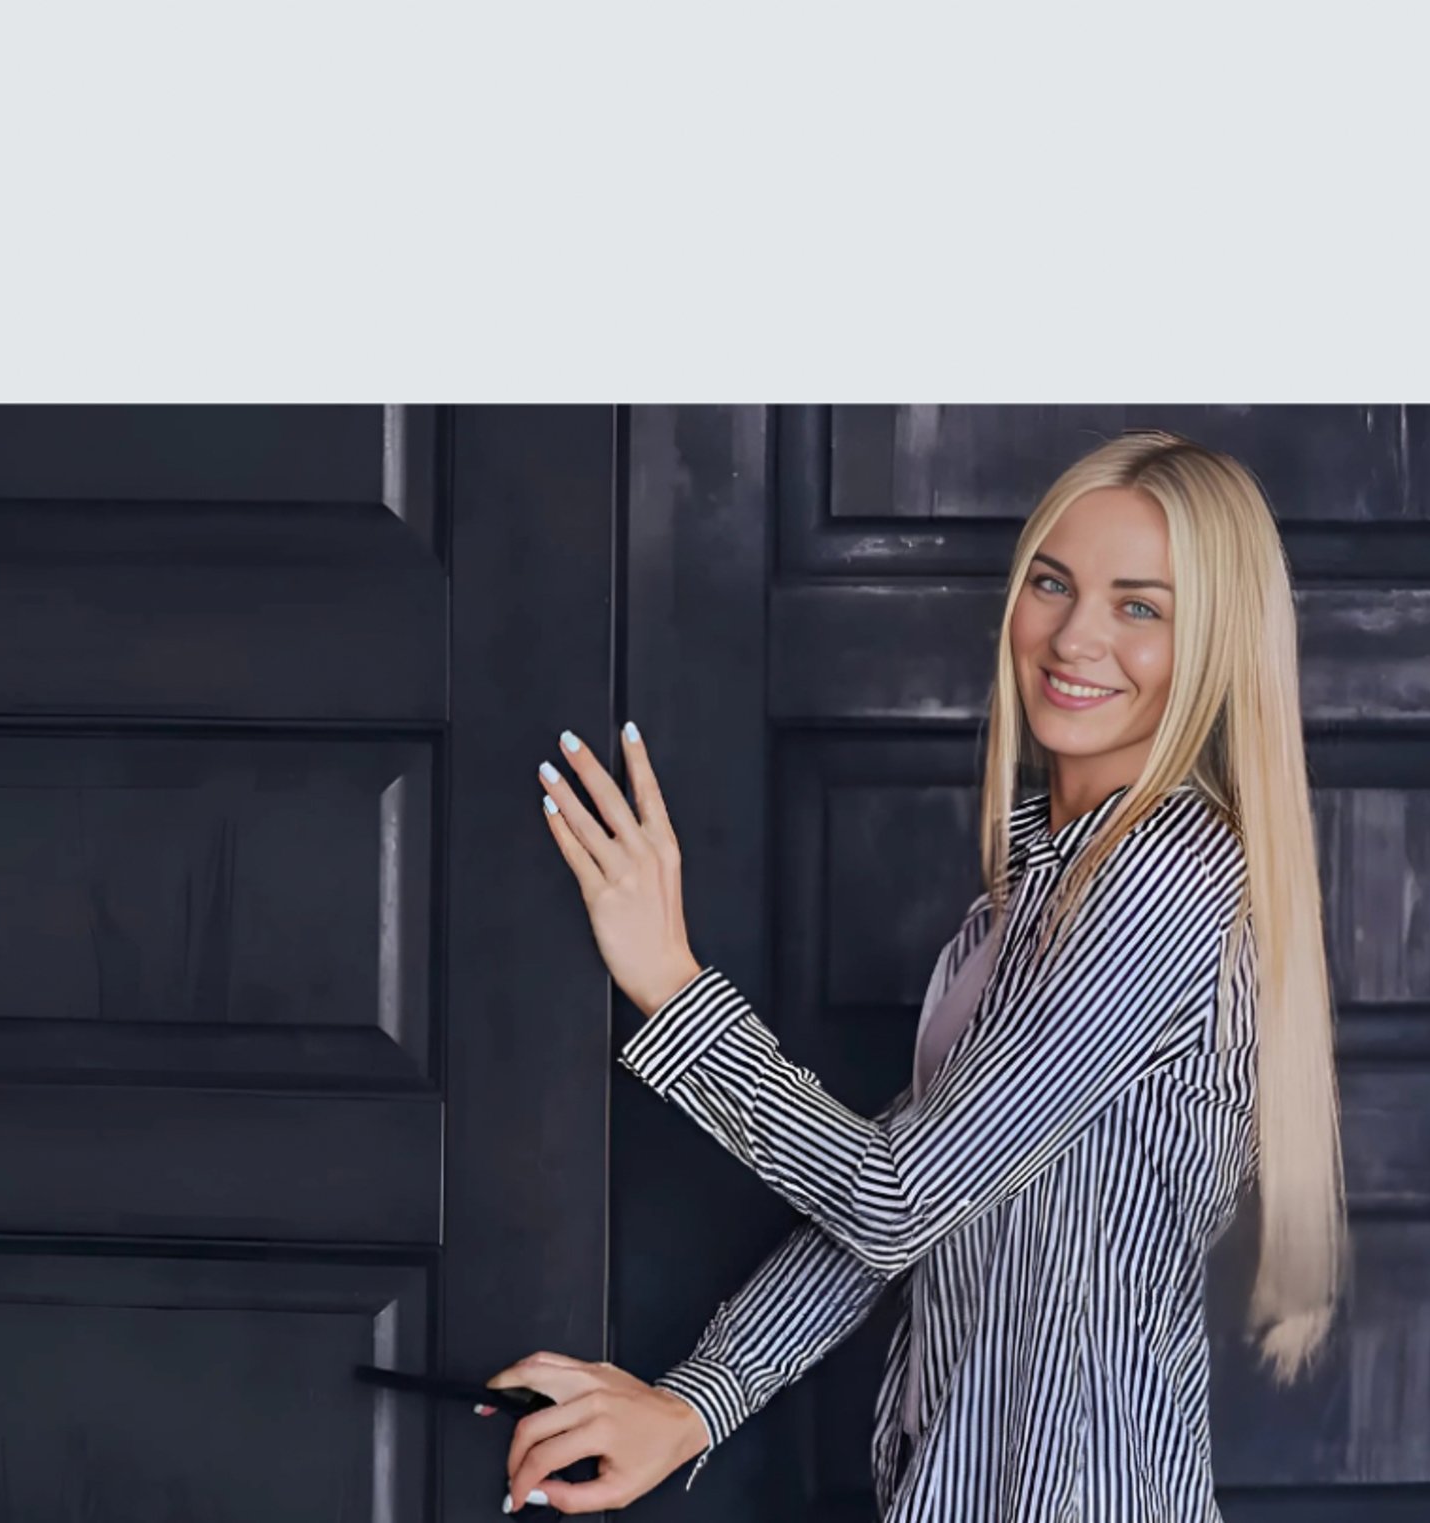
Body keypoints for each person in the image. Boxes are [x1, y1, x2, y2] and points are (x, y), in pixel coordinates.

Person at [489, 431, 1347, 1521]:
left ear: (1218, 645)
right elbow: (908, 1201)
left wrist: (670, 979)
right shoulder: (1033, 894)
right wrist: (691, 1404)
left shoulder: (1165, 873)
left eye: (1142, 606)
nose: (1075, 634)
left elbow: (890, 1203)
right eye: (1052, 581)